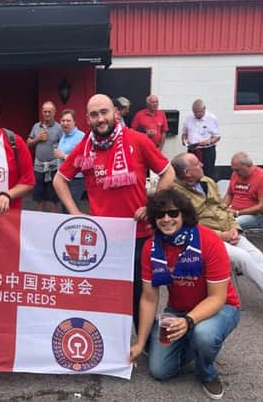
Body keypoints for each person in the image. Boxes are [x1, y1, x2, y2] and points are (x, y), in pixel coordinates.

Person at [53, 93, 175, 332]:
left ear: (115, 113)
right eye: (95, 114)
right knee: (106, 292)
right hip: (103, 238)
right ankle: (111, 345)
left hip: (139, 234)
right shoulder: (84, 148)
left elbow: (168, 173)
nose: (101, 119)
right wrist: (76, 214)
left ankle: (144, 340)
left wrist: (153, 207)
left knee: (141, 291)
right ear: (87, 119)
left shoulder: (137, 140)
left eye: (105, 112)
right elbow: (60, 179)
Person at [173, 152, 263, 328]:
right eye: (197, 164)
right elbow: (189, 226)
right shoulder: (176, 195)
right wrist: (222, 235)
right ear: (187, 173)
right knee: (243, 259)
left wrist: (233, 227)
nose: (202, 165)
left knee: (256, 255)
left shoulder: (208, 182)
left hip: (228, 231)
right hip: (205, 239)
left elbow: (224, 208)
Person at [129, 189, 240, 400]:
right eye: (159, 215)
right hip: (178, 310)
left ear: (184, 214)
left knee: (204, 335)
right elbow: (149, 298)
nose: (166, 219)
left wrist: (189, 321)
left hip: (222, 307)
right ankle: (194, 341)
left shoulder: (208, 241)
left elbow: (217, 297)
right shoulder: (151, 247)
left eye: (173, 213)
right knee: (160, 371)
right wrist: (141, 343)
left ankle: (207, 372)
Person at [27, 100, 63, 212]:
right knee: (39, 195)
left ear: (54, 112)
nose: (47, 114)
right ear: (42, 112)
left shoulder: (59, 128)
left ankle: (53, 218)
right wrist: (37, 138)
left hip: (53, 167)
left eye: (49, 111)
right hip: (38, 166)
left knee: (53, 196)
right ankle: (40, 218)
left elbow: (64, 144)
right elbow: (28, 143)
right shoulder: (36, 126)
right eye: (45, 111)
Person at [224, 152, 263, 230]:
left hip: (257, 216)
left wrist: (238, 213)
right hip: (235, 212)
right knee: (211, 221)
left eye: (238, 170)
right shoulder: (236, 174)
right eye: (233, 170)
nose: (235, 173)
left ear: (248, 166)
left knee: (231, 224)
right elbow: (229, 194)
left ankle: (238, 241)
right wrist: (222, 209)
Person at [53, 109, 85, 210]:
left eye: (68, 121)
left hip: (75, 180)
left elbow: (83, 159)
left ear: (74, 122)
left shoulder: (81, 136)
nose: (65, 123)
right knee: (64, 207)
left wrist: (63, 156)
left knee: (72, 209)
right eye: (63, 121)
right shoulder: (64, 136)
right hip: (63, 178)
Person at [181, 99, 221, 180]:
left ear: (204, 109)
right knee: (191, 173)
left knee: (207, 174)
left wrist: (208, 141)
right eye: (195, 112)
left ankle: (207, 191)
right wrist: (184, 140)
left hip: (206, 151)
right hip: (192, 150)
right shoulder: (189, 118)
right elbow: (184, 133)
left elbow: (217, 136)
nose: (197, 114)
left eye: (199, 112)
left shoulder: (211, 118)